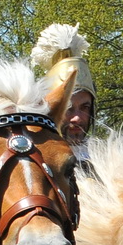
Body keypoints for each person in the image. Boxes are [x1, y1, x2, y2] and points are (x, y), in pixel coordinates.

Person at [31, 23, 96, 154]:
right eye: (68, 108)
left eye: (85, 107)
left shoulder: (106, 160)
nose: (77, 118)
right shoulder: (34, 160)